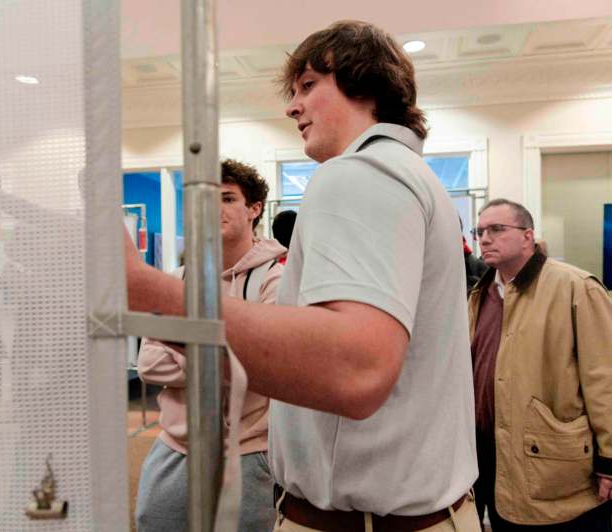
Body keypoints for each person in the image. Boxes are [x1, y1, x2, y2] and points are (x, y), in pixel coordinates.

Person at [124, 20, 479, 531]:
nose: (292, 107)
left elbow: (353, 369)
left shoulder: (359, 171)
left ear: (366, 84)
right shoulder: (408, 175)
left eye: (309, 86)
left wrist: (141, 288)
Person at [468, 198, 612, 531]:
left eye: (497, 229)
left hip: (555, 459)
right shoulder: (480, 294)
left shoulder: (575, 287)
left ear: (527, 236)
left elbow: (611, 378)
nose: (485, 238)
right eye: (479, 231)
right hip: (491, 452)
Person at [134, 159, 285, 532]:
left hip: (250, 453)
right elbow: (150, 363)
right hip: (177, 447)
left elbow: (265, 366)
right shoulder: (179, 279)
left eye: (229, 198)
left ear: (254, 209)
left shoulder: (275, 279)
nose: (215, 209)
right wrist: (227, 354)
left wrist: (187, 346)